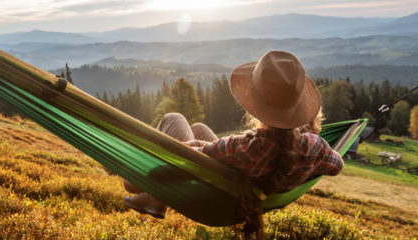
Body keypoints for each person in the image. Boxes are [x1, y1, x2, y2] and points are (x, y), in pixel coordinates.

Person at [122, 51, 343, 233]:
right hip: (243, 194)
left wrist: (142, 170)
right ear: (297, 109)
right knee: (198, 128)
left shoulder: (242, 148)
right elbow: (337, 165)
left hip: (216, 196)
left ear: (254, 102)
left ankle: (154, 197)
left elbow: (189, 155)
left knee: (173, 119)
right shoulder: (315, 148)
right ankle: (153, 198)